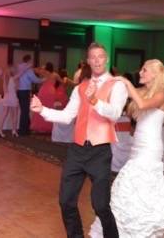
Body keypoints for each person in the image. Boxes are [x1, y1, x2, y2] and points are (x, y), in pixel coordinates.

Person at [89, 59, 164, 237]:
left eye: (144, 70)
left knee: (140, 189)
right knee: (128, 191)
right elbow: (121, 107)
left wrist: (126, 82)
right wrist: (98, 95)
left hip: (150, 150)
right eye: (141, 69)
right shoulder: (141, 91)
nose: (140, 73)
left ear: (156, 75)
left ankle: (139, 230)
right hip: (136, 149)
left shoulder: (162, 93)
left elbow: (141, 104)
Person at [30, 42, 127, 238]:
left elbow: (115, 114)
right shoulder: (81, 87)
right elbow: (67, 116)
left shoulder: (117, 85)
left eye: (101, 56)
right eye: (93, 57)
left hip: (99, 152)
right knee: (66, 201)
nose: (97, 60)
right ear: (89, 61)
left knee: (100, 206)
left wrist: (94, 101)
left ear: (106, 59)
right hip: (77, 150)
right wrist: (43, 111)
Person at [31, 63, 67, 133]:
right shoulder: (55, 74)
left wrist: (41, 67)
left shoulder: (43, 72)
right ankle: (49, 127)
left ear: (46, 67)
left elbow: (35, 70)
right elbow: (62, 82)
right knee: (49, 108)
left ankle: (38, 127)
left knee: (40, 108)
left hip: (43, 91)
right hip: (51, 91)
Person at [17, 55, 43, 136]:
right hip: (25, 91)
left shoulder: (19, 67)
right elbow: (35, 79)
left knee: (23, 110)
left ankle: (26, 129)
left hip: (19, 91)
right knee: (25, 111)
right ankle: (23, 131)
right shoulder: (28, 69)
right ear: (29, 60)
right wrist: (43, 79)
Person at [0, 64, 20, 137]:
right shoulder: (14, 78)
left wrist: (1, 73)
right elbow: (17, 88)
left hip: (6, 98)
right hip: (13, 97)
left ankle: (0, 130)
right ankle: (14, 131)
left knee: (4, 115)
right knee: (14, 115)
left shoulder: (5, 79)